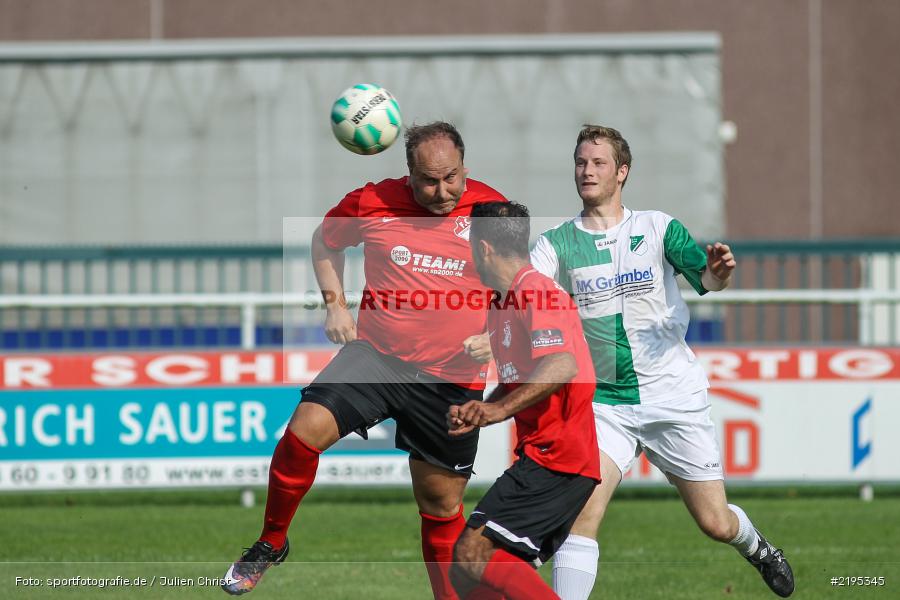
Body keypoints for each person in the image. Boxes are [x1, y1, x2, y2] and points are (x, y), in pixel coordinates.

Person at [221, 122, 504, 598]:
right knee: (301, 432)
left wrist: (497, 336)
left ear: (465, 168)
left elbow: (519, 283)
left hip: (451, 378)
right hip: (378, 358)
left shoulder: (491, 209)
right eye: (428, 180)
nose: (442, 190)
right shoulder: (370, 202)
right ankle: (270, 542)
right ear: (408, 174)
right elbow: (325, 241)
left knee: (439, 504)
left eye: (451, 177)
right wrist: (334, 304)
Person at [531, 125, 794, 599]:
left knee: (715, 522)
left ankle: (756, 547)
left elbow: (709, 282)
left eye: (598, 163)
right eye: (580, 162)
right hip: (604, 404)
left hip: (671, 395)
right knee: (582, 517)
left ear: (622, 172)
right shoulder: (557, 243)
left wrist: (717, 272)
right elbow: (527, 291)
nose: (587, 171)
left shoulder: (656, 228)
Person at [447, 201, 600, 600]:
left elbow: (562, 365)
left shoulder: (536, 290)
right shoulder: (503, 301)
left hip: (559, 458)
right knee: (468, 569)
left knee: (470, 553)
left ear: (483, 249)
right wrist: (484, 408)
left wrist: (496, 409)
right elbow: (523, 378)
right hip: (546, 457)